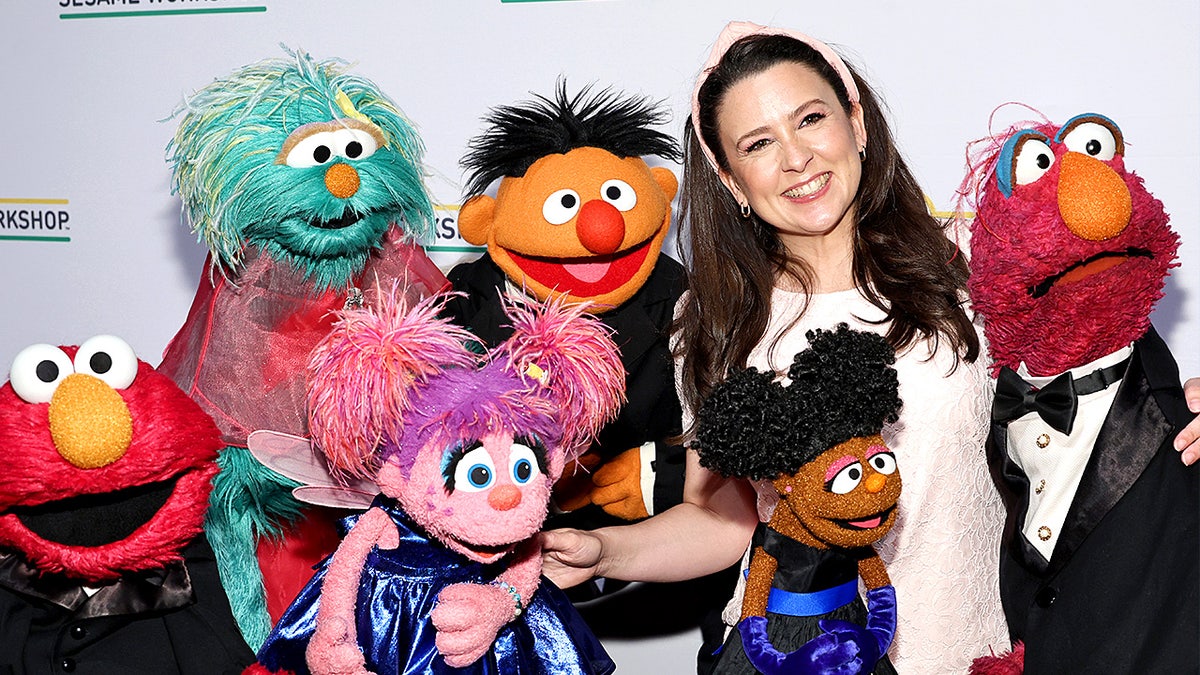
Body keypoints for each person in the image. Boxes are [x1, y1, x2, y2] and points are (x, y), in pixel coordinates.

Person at [540, 20, 1200, 674]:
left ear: (856, 123)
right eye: (759, 142)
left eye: (810, 119)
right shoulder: (715, 319)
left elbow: (1105, 396)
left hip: (975, 649)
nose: (796, 158)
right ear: (731, 179)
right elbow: (726, 520)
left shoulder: (975, 263)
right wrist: (604, 551)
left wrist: (1181, 409)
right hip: (794, 655)